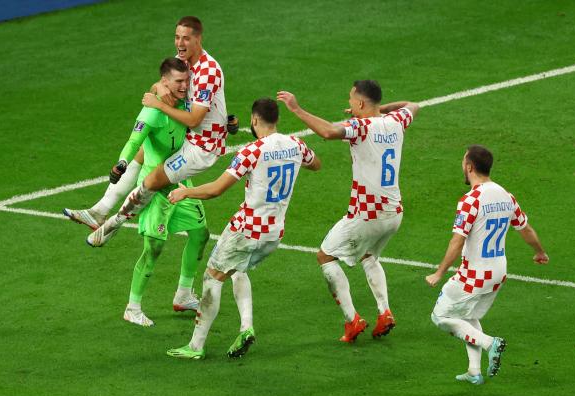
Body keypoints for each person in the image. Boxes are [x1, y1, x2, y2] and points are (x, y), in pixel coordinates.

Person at [166, 98, 321, 359]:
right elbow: (316, 164)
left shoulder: (251, 151)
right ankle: (246, 328)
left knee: (212, 277)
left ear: (254, 119)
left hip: (246, 230)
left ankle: (195, 346)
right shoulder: (296, 144)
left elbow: (216, 189)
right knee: (238, 270)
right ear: (277, 120)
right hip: (273, 234)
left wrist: (186, 192)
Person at [64, 15, 238, 232]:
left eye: (185, 38)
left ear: (198, 39)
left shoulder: (208, 71)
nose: (179, 43)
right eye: (177, 37)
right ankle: (99, 211)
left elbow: (195, 120)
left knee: (152, 181)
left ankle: (111, 227)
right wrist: (159, 87)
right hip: (187, 133)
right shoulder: (182, 60)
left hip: (203, 145)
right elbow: (161, 83)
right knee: (143, 151)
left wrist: (159, 105)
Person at [277, 82, 419, 342]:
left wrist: (296, 109)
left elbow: (329, 132)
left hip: (367, 214)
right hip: (394, 213)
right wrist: (380, 109)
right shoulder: (396, 121)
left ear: (361, 103)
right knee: (369, 256)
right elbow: (413, 105)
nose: (349, 103)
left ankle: (352, 320)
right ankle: (384, 312)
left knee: (325, 256)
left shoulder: (361, 127)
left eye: (352, 99)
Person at [89, 58, 210, 325]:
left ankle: (183, 294)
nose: (185, 86)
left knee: (201, 234)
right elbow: (134, 141)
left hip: (180, 181)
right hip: (155, 187)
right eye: (179, 81)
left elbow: (205, 110)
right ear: (165, 81)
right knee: (154, 247)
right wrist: (122, 163)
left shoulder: (187, 102)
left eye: (187, 80)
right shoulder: (152, 112)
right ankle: (132, 307)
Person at [425, 145, 549, 385]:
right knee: (468, 315)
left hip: (474, 273)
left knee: (440, 316)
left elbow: (457, 241)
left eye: (463, 162)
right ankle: (474, 371)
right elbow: (526, 229)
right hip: (498, 272)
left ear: (470, 167)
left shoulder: (471, 200)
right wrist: (540, 251)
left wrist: (439, 273)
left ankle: (490, 343)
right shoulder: (506, 196)